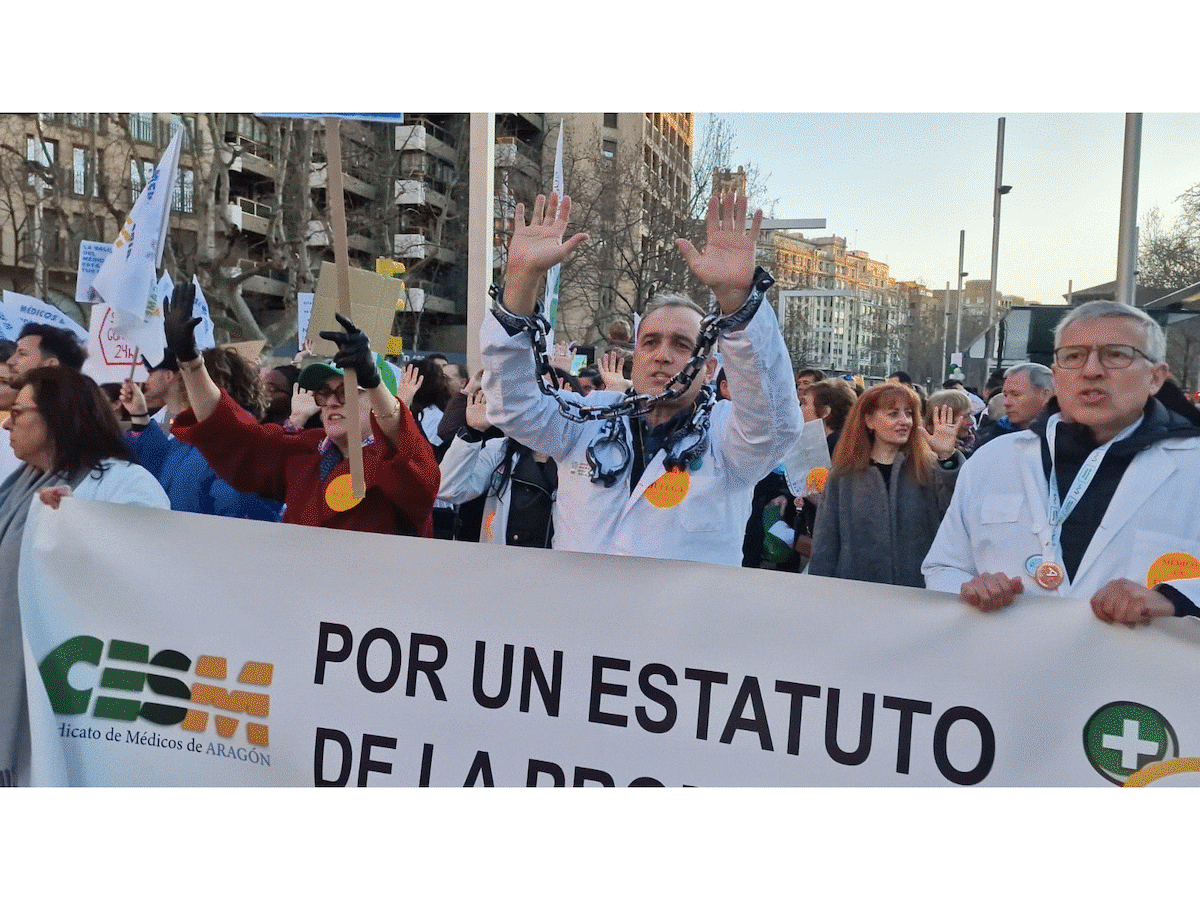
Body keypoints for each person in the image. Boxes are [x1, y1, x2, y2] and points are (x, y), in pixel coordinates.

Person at [481, 191, 802, 566]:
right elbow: (513, 407)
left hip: (681, 622)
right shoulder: (586, 419)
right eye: (651, 342)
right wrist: (521, 280)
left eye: (682, 344)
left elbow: (775, 424)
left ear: (710, 368)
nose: (662, 354)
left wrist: (736, 299)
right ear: (635, 358)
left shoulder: (729, 438)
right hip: (578, 614)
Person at [922, 300, 1200, 625]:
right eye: (1073, 356)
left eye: (1116, 354)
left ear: (1155, 377)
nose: (1091, 370)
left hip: (1136, 671)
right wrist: (967, 590)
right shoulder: (994, 459)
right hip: (1006, 667)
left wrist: (1177, 597)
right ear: (1056, 376)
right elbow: (942, 567)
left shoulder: (1192, 465)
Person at [1, 366, 168, 788]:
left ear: (58, 418)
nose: (7, 421)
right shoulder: (17, 487)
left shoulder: (125, 485)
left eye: (19, 412)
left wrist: (83, 529)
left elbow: (156, 579)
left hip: (74, 693)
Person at [164, 283, 440, 536]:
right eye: (323, 392)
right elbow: (230, 434)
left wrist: (372, 381)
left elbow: (409, 456)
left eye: (346, 392)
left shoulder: (400, 463)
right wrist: (190, 362)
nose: (332, 401)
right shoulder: (305, 451)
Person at [808, 382, 963, 587]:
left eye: (908, 413)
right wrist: (819, 592)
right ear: (869, 420)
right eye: (893, 414)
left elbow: (958, 515)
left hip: (918, 595)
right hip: (856, 597)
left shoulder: (929, 469)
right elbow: (825, 544)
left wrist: (947, 457)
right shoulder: (844, 476)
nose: (904, 421)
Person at [122, 347, 284, 522]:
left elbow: (238, 517)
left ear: (212, 388)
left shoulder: (240, 445)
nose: (184, 387)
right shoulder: (192, 436)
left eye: (190, 381)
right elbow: (156, 473)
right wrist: (139, 416)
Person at [972, 362, 1054, 451]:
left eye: (1015, 394)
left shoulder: (1065, 441)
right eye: (1005, 395)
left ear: (1045, 395)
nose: (1006, 403)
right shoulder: (988, 442)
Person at [924, 388, 975, 458]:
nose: (971, 422)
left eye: (970, 415)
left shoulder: (974, 444)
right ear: (943, 418)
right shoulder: (925, 452)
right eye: (965, 416)